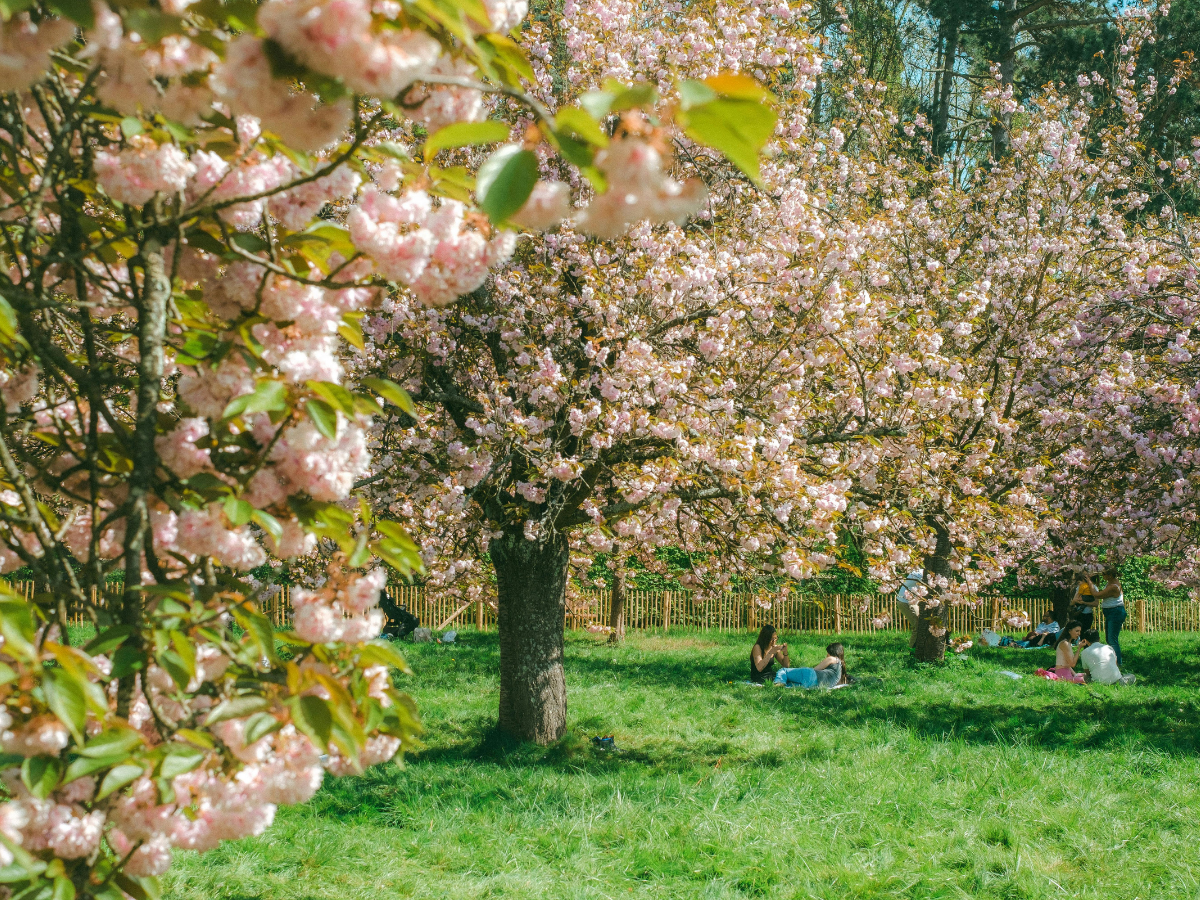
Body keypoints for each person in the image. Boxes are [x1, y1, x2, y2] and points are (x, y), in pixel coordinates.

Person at [1084, 567, 1126, 667]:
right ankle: (1113, 661)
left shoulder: (1113, 586)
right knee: (1109, 639)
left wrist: (1089, 581)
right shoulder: (1112, 582)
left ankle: (1118, 663)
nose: (1102, 576)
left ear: (1110, 575)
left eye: (1104, 574)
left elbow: (1096, 595)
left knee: (1112, 640)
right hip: (1112, 612)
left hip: (1115, 612)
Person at [774, 642, 850, 688]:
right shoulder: (840, 669)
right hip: (814, 685)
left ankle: (778, 682)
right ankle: (782, 684)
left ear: (833, 652)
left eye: (828, 653)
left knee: (783, 671)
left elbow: (815, 669)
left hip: (811, 675)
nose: (827, 655)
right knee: (789, 684)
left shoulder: (832, 659)